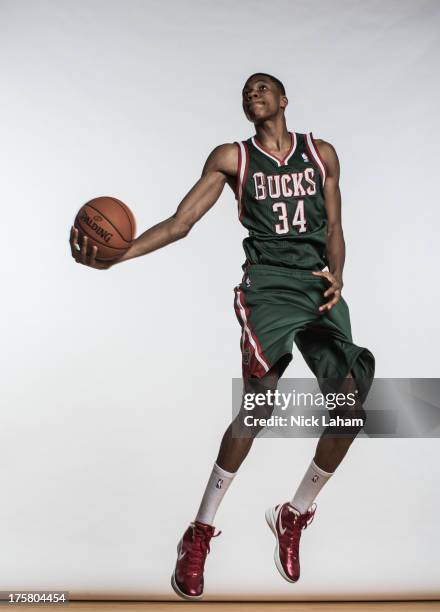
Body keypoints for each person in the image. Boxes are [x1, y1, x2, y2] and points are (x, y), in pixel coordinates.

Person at [70, 72, 375, 601]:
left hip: (316, 284)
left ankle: (294, 513)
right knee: (260, 408)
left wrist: (339, 274)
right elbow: (181, 222)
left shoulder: (322, 153)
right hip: (267, 288)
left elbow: (334, 227)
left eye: (263, 88)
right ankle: (200, 531)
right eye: (246, 91)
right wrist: (121, 254)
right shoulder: (231, 158)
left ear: (284, 100)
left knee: (350, 405)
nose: (252, 93)